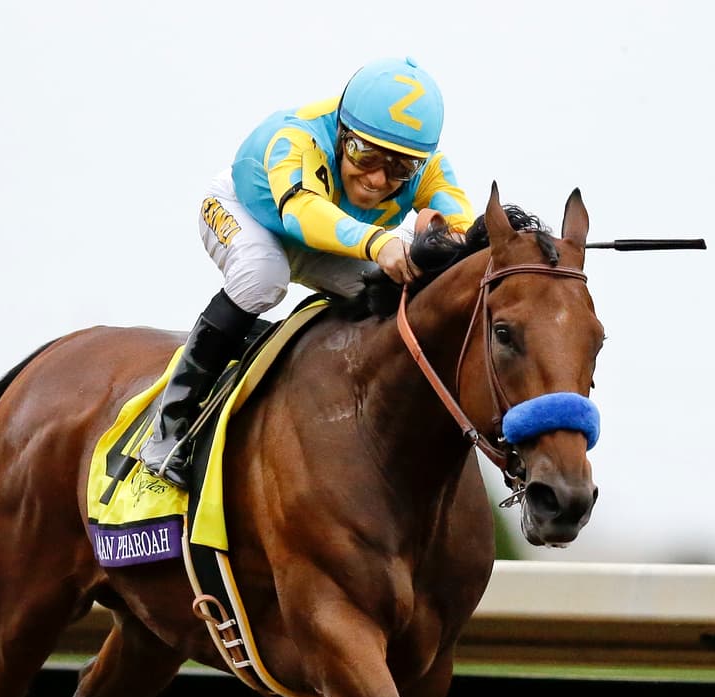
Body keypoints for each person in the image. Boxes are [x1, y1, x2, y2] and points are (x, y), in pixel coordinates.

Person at [138, 56, 475, 489]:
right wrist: (380, 242)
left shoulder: (429, 167)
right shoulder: (296, 138)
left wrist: (462, 246)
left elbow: (460, 221)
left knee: (394, 294)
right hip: (249, 212)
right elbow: (303, 213)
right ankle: (169, 427)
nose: (376, 178)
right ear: (341, 131)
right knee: (263, 275)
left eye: (399, 168)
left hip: (328, 238)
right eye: (365, 154)